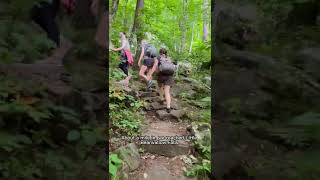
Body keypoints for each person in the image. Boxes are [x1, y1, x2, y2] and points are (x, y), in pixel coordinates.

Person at [156, 48, 175, 113]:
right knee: (167, 91)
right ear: (166, 53)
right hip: (169, 76)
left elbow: (156, 67)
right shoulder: (170, 59)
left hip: (161, 75)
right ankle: (168, 106)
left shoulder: (158, 58)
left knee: (161, 87)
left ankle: (161, 99)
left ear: (160, 52)